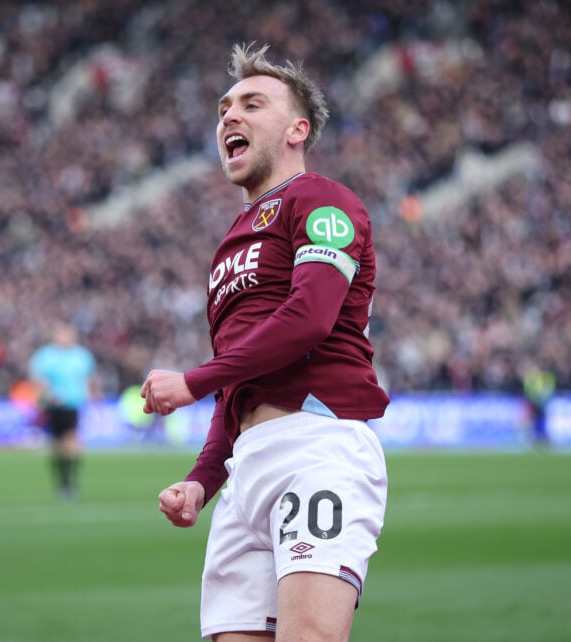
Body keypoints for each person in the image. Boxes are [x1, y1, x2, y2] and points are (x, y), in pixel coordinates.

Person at [141, 43, 390, 641]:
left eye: (253, 104)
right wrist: (203, 479)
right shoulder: (232, 241)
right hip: (244, 469)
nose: (230, 115)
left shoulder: (323, 201)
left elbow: (309, 319)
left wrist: (192, 383)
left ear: (297, 130)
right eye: (225, 107)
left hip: (316, 449)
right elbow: (240, 378)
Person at [28, 321, 99, 500]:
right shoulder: (45, 355)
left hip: (73, 404)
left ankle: (69, 483)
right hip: (51, 406)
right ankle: (62, 481)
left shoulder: (82, 355)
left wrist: (94, 396)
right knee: (57, 446)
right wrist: (46, 394)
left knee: (72, 442)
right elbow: (37, 379)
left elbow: (90, 378)